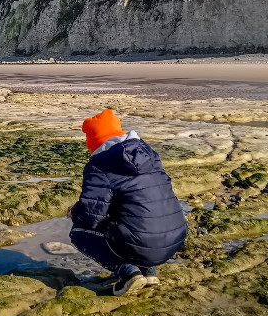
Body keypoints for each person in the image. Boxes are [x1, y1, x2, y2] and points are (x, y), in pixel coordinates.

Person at [68, 109, 187, 296]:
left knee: (79, 232)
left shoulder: (99, 165)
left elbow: (90, 216)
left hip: (144, 241)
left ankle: (128, 273)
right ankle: (149, 274)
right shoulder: (151, 155)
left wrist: (74, 212)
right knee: (137, 213)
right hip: (175, 239)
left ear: (94, 142)